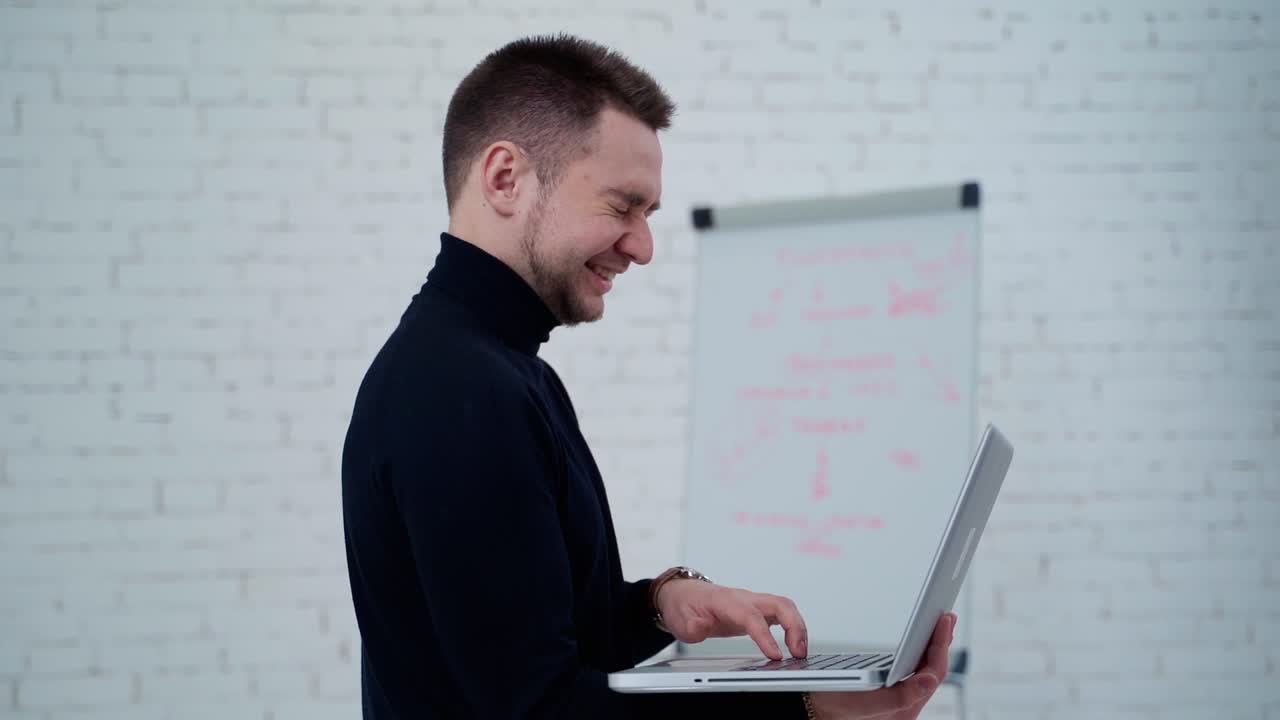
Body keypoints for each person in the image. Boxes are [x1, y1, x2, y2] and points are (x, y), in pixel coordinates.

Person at [340, 33, 956, 719]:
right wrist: (808, 707)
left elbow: (559, 637)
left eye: (648, 213)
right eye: (620, 206)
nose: (643, 246)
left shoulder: (504, 374)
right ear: (505, 178)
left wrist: (664, 602)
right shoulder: (459, 391)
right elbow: (542, 710)